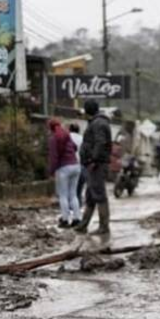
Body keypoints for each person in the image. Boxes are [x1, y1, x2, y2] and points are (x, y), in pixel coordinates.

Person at [75, 100, 112, 235]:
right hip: (94, 163)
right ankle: (83, 225)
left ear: (88, 111)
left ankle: (104, 226)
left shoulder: (98, 123)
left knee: (99, 194)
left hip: (96, 164)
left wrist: (93, 160)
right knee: (90, 195)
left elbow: (100, 143)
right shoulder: (98, 122)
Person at [46, 118, 82, 227]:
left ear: (51, 128)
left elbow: (54, 157)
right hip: (76, 166)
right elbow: (75, 148)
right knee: (73, 194)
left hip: (64, 168)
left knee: (63, 195)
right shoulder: (67, 135)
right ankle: (77, 219)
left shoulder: (53, 139)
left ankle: (65, 220)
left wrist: (51, 171)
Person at [69, 123, 85, 206]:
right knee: (78, 190)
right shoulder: (82, 139)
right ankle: (78, 209)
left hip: (69, 165)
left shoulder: (67, 137)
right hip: (81, 166)